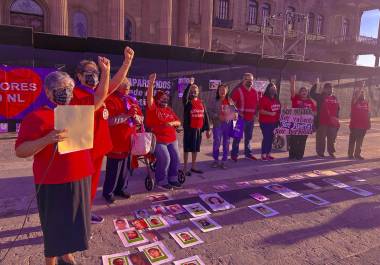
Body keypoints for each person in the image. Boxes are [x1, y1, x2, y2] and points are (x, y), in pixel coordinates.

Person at [15, 58, 110, 265]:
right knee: (54, 227)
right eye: (59, 88)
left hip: (81, 176)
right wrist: (46, 139)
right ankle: (50, 260)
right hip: (52, 182)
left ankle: (67, 255)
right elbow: (20, 151)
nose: (65, 91)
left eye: (68, 87)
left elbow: (101, 97)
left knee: (75, 225)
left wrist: (106, 71)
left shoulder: (76, 112)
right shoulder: (36, 117)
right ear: (48, 93)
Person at [73, 46, 135, 224]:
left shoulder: (95, 92)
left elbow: (114, 83)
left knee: (91, 186)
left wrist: (126, 63)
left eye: (95, 73)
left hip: (97, 148)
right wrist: (105, 72)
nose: (93, 76)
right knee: (82, 187)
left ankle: (86, 212)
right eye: (88, 72)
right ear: (78, 75)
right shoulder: (76, 94)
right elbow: (100, 97)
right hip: (83, 149)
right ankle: (79, 218)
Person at [102, 78, 143, 203]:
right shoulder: (109, 99)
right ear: (117, 86)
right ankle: (108, 192)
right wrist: (127, 116)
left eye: (128, 86)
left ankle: (121, 189)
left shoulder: (131, 99)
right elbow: (109, 121)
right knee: (113, 170)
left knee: (125, 169)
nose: (128, 88)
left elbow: (141, 118)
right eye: (124, 86)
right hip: (116, 142)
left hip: (129, 141)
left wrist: (137, 118)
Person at [146, 73, 182, 190]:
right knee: (166, 158)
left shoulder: (169, 109)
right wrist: (151, 84)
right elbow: (149, 99)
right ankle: (161, 181)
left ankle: (173, 179)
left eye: (166, 98)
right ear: (157, 99)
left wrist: (172, 123)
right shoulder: (153, 108)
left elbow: (178, 122)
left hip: (172, 139)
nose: (165, 100)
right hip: (159, 140)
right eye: (162, 98)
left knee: (176, 158)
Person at [182, 80, 211, 175]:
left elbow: (205, 115)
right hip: (189, 129)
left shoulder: (201, 102)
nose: (193, 92)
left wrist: (208, 129)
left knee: (195, 148)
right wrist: (189, 85)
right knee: (187, 148)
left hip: (198, 129)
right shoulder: (187, 103)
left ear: (198, 92)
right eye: (192, 90)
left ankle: (193, 167)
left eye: (195, 90)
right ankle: (185, 168)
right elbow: (184, 96)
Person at [231, 73, 259, 161]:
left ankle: (248, 154)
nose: (250, 81)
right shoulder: (238, 91)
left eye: (251, 80)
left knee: (249, 138)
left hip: (250, 119)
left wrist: (256, 114)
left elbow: (256, 105)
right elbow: (232, 104)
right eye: (248, 79)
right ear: (243, 80)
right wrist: (235, 114)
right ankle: (234, 155)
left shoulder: (255, 92)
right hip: (240, 119)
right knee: (237, 138)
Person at [288, 75, 317, 160]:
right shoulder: (296, 98)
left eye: (305, 91)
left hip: (306, 125)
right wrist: (293, 82)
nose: (304, 92)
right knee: (293, 139)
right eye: (302, 91)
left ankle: (299, 156)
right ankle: (292, 155)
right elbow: (292, 92)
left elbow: (315, 113)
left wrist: (309, 112)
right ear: (300, 92)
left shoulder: (310, 102)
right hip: (295, 123)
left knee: (302, 140)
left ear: (307, 93)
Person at [209, 83, 237, 169]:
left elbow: (235, 112)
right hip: (218, 125)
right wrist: (217, 116)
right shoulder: (214, 101)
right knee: (217, 142)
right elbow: (209, 112)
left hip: (227, 125)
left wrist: (234, 115)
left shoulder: (230, 100)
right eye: (221, 89)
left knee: (226, 143)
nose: (222, 91)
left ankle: (224, 161)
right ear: (218, 91)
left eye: (224, 89)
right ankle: (215, 160)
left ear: (227, 91)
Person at [310, 80, 340, 158]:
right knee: (321, 138)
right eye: (328, 88)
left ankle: (331, 152)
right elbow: (311, 94)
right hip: (322, 121)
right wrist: (316, 84)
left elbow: (338, 109)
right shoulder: (320, 96)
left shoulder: (335, 98)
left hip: (333, 122)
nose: (330, 90)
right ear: (324, 89)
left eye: (331, 88)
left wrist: (337, 119)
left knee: (332, 138)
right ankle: (320, 152)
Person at [258, 82, 281, 161]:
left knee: (271, 138)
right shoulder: (263, 99)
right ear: (268, 89)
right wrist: (270, 113)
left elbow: (278, 111)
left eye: (274, 88)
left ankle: (268, 154)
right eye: (271, 88)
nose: (273, 90)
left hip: (275, 122)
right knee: (266, 137)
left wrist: (279, 121)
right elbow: (260, 111)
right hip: (265, 122)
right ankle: (263, 154)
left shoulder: (277, 100)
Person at [348, 83, 371, 160]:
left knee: (360, 141)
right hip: (355, 125)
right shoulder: (354, 102)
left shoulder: (366, 102)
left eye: (363, 93)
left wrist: (369, 123)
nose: (362, 94)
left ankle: (357, 154)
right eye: (361, 93)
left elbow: (368, 113)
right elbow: (356, 96)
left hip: (363, 125)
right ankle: (350, 155)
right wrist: (361, 87)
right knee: (353, 140)